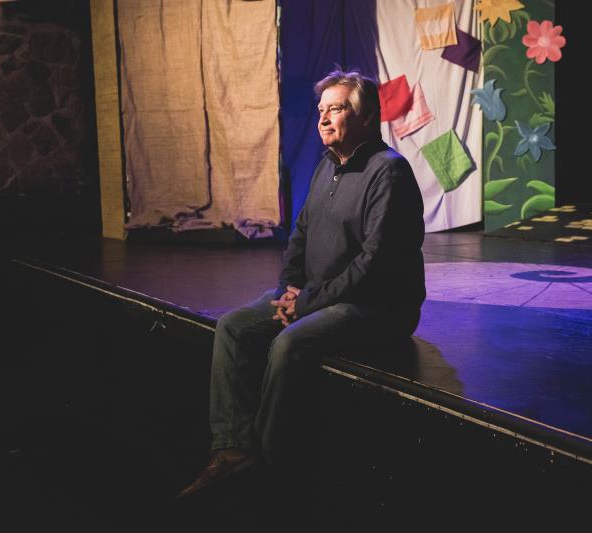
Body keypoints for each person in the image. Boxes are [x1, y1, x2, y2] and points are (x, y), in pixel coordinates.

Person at [177, 68, 425, 499]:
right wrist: (289, 288)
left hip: (377, 306)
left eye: (339, 108)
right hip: (316, 295)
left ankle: (270, 464)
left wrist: (306, 303)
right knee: (233, 326)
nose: (325, 118)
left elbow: (375, 264)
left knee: (289, 343)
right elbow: (301, 235)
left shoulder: (390, 173)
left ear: (368, 118)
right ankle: (233, 450)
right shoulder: (325, 167)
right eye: (322, 110)